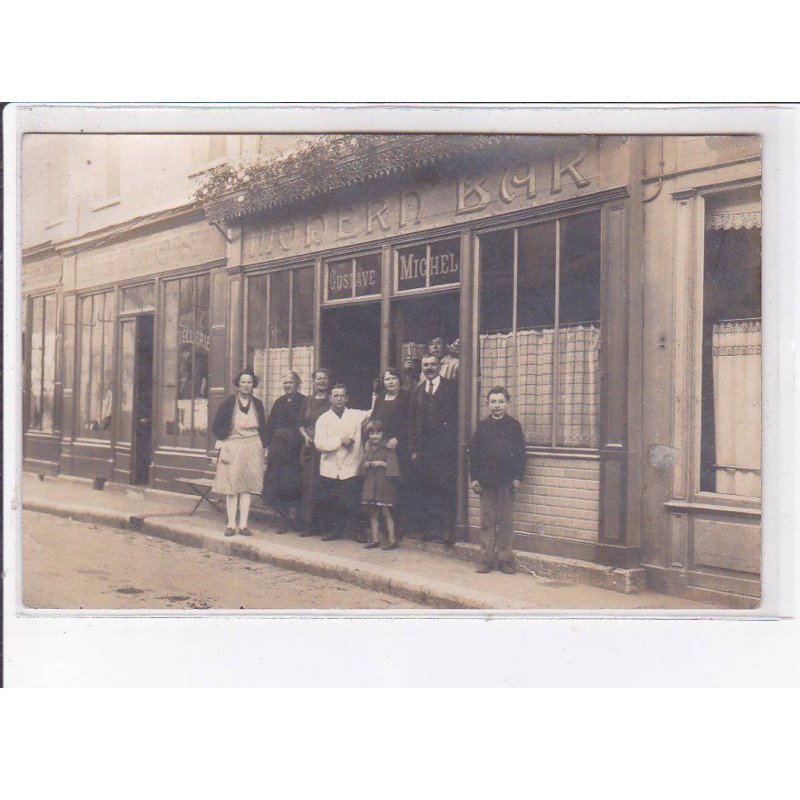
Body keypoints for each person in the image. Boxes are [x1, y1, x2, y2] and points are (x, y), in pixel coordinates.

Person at [468, 386, 526, 575]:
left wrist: (518, 477)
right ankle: (486, 559)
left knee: (506, 522)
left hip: (507, 483)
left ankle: (504, 560)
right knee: (487, 521)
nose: (497, 406)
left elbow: (520, 454)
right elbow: (474, 454)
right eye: (493, 402)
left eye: (501, 401)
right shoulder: (482, 426)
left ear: (508, 404)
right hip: (486, 483)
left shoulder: (514, 426)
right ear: (487, 404)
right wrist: (474, 478)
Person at [211, 369, 269, 537]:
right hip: (234, 446)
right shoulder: (228, 403)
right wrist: (226, 437)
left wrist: (264, 448)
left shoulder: (257, 404)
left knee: (247, 487)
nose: (246, 385)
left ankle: (243, 525)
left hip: (252, 447)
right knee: (232, 486)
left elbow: (263, 427)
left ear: (253, 385)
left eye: (249, 382)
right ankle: (230, 524)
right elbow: (216, 426)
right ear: (238, 383)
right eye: (243, 382)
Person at [409, 353, 459, 543]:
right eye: (425, 365)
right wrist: (414, 449)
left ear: (439, 366)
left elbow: (456, 419)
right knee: (428, 487)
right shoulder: (418, 390)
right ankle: (432, 528)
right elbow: (413, 422)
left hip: (445, 449)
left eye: (432, 364)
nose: (429, 368)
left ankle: (448, 530)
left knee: (445, 487)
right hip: (425, 449)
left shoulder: (451, 388)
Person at [314, 384, 372, 542]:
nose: (339, 399)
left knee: (353, 501)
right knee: (333, 501)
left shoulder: (354, 415)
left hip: (351, 466)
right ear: (330, 398)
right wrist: (340, 440)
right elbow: (319, 444)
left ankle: (359, 532)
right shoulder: (324, 419)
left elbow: (373, 411)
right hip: (330, 467)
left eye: (342, 396)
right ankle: (335, 531)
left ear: (347, 399)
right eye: (336, 396)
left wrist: (377, 393)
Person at [261, 372, 306, 533]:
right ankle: (284, 520)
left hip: (296, 449)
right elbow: (270, 425)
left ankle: (299, 520)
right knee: (280, 483)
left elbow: (305, 424)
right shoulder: (278, 402)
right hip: (279, 449)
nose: (288, 385)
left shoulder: (304, 401)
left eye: (291, 382)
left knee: (296, 483)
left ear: (297, 384)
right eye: (285, 383)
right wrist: (267, 449)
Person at [369, 367, 412, 533]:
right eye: (387, 379)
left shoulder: (407, 397)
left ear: (400, 380)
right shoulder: (380, 398)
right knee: (383, 486)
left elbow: (410, 421)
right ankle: (385, 526)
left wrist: (397, 438)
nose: (390, 382)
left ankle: (399, 526)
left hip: (398, 448)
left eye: (393, 378)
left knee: (398, 485)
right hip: (382, 448)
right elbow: (373, 419)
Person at [297, 368, 331, 536]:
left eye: (324, 379)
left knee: (324, 485)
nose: (321, 381)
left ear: (328, 381)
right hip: (310, 449)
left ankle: (325, 526)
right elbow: (300, 423)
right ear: (314, 381)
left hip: (326, 449)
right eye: (318, 379)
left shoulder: (333, 400)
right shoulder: (308, 400)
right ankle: (308, 525)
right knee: (309, 486)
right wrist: (305, 437)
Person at [360, 420, 401, 550]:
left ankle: (392, 541)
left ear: (382, 434)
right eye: (372, 433)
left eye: (378, 433)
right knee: (373, 513)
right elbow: (363, 463)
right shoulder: (368, 447)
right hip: (371, 484)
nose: (375, 436)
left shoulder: (388, 447)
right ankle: (375, 540)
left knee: (386, 512)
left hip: (383, 484)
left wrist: (381, 464)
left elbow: (393, 467)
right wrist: (366, 464)